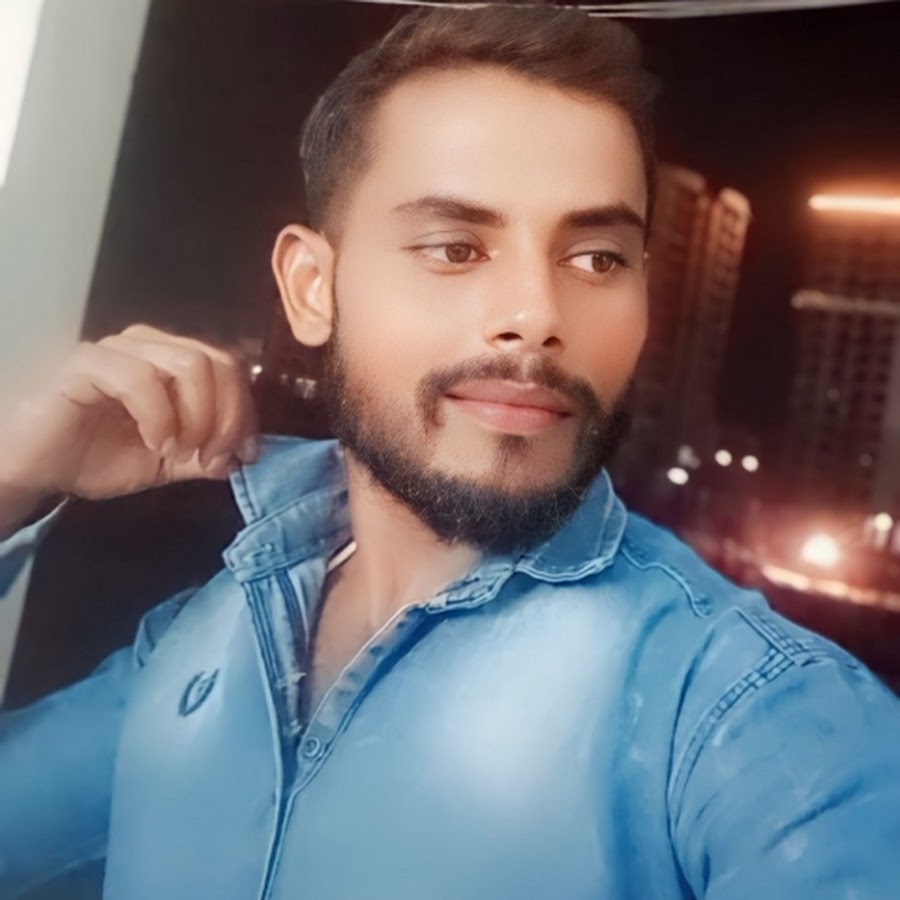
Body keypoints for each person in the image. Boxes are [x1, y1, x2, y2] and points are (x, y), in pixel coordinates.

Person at [1, 4, 899, 899]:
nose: (538, 315)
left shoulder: (751, 715)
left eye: (597, 259)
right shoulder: (213, 634)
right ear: (312, 290)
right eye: (455, 247)